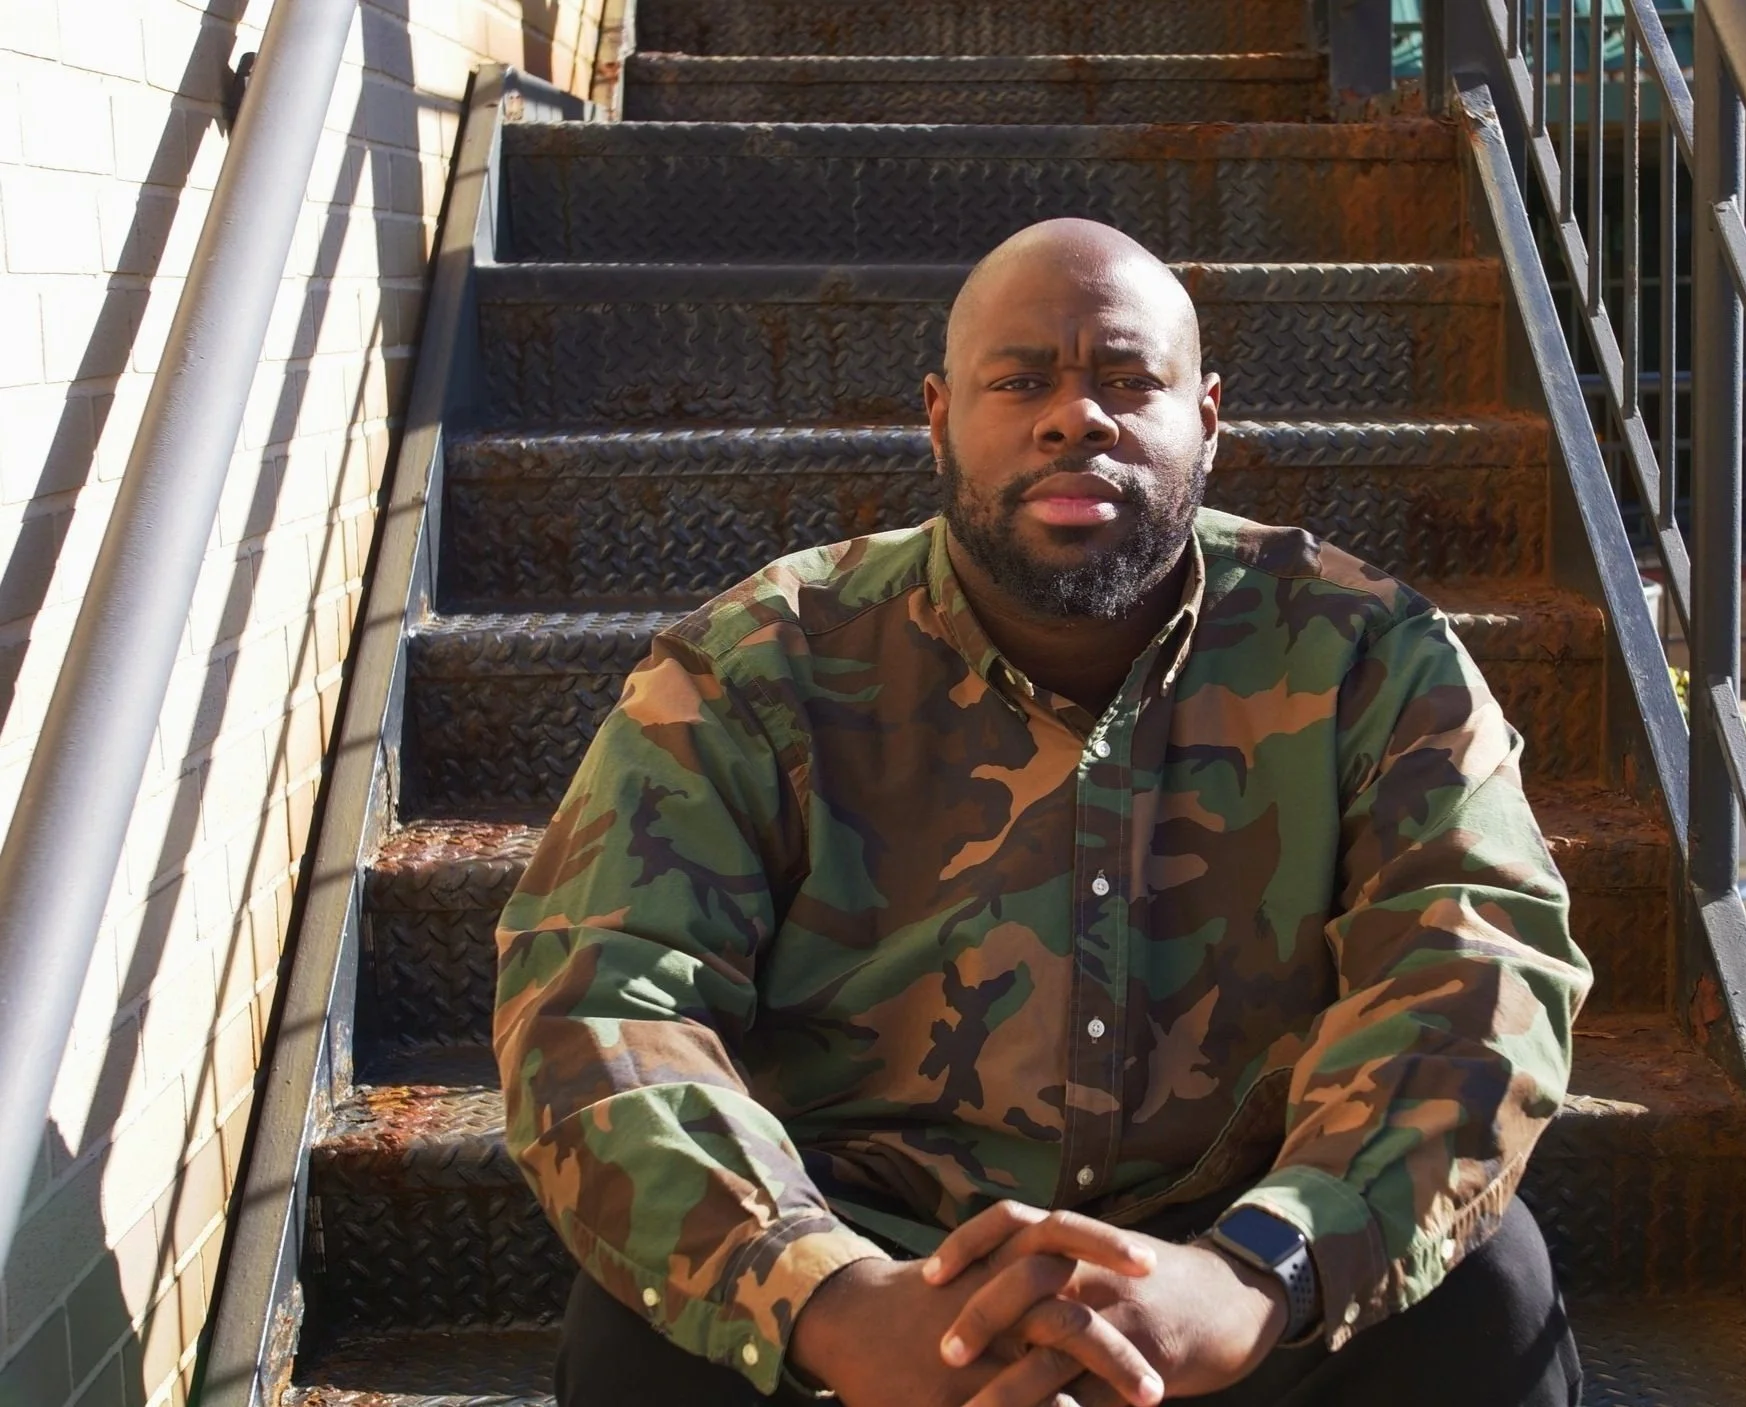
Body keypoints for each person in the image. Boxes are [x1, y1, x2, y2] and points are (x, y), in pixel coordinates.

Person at [494, 218, 1592, 1407]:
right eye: (1021, 382)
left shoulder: (1366, 652)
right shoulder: (758, 665)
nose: (1077, 419)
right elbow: (598, 992)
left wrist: (1256, 1275)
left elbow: (1475, 960)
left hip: (1230, 1270)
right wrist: (826, 1299)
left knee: (1492, 1292)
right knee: (643, 1337)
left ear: (1207, 419)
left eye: (1129, 380)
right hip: (874, 1268)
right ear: (938, 417)